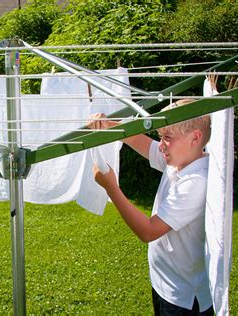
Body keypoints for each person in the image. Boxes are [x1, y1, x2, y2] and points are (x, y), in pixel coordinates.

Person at [88, 99, 214, 315]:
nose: (161, 144)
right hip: (166, 281)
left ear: (195, 138)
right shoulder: (180, 160)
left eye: (167, 137)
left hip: (182, 296)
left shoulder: (196, 181)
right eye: (160, 136)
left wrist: (111, 188)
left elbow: (148, 231)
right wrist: (109, 125)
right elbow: (141, 141)